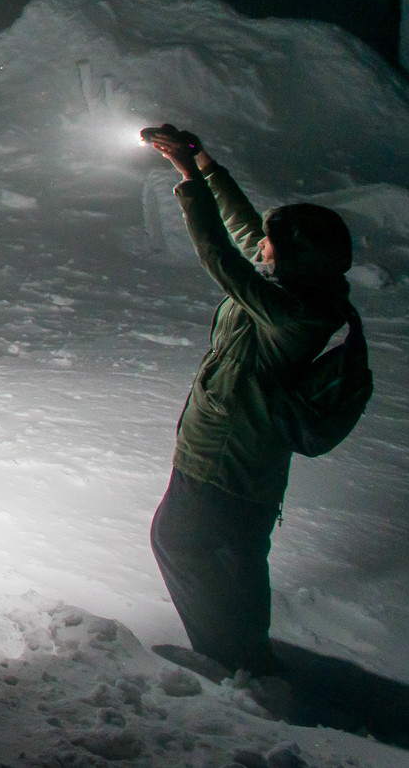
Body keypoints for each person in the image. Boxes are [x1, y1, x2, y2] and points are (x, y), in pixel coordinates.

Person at [143, 125, 357, 711]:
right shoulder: (297, 287)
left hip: (229, 461)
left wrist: (190, 184)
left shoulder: (291, 311)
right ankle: (241, 660)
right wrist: (206, 164)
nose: (261, 245)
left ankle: (238, 670)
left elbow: (219, 254)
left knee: (203, 549)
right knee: (217, 553)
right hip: (228, 454)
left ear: (293, 257)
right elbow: (243, 233)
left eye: (273, 243)